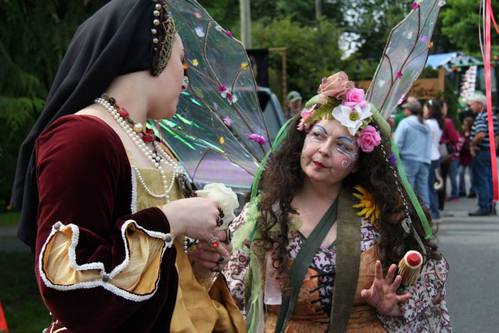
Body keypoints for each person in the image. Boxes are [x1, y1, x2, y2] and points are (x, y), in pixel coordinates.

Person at [11, 0, 245, 332]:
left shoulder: (150, 140)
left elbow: (158, 271)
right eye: (182, 62)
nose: (185, 78)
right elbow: (67, 279)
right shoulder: (83, 137)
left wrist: (196, 263)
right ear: (156, 55)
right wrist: (171, 219)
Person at [221, 72, 451, 332]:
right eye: (318, 135)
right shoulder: (264, 213)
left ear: (357, 163)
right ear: (302, 138)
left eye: (343, 146)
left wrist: (393, 307)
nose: (324, 150)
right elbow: (229, 296)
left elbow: (429, 294)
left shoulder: (385, 217)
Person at [394, 98, 431, 208]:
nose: (404, 111)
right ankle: (426, 213)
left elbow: (398, 143)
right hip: (424, 160)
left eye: (406, 109)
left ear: (409, 111)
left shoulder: (405, 123)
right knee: (423, 188)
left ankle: (410, 214)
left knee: (408, 190)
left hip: (408, 160)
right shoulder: (425, 124)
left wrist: (394, 157)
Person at [468, 93, 499, 216]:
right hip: (489, 153)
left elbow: (481, 134)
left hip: (481, 152)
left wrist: (472, 144)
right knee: (488, 179)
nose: (471, 107)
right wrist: (493, 149)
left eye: (472, 104)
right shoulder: (493, 117)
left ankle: (484, 206)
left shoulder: (481, 117)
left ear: (480, 105)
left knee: (481, 180)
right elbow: (497, 136)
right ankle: (491, 206)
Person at [423, 99, 444, 221]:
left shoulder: (429, 124)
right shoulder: (438, 122)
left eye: (425, 108)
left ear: (430, 110)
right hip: (435, 155)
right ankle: (435, 211)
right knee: (431, 185)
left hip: (429, 157)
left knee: (428, 186)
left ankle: (434, 212)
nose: (423, 110)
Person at [438, 99, 461, 205]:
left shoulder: (426, 120)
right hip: (443, 154)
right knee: (442, 178)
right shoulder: (446, 122)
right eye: (445, 107)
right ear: (442, 109)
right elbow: (455, 139)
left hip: (428, 154)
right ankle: (439, 204)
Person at [458, 117, 474, 197]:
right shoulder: (462, 133)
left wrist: (465, 143)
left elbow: (471, 144)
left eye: (465, 124)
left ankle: (472, 191)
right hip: (463, 157)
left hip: (470, 157)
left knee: (472, 175)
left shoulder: (472, 133)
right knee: (461, 173)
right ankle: (462, 190)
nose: (463, 125)